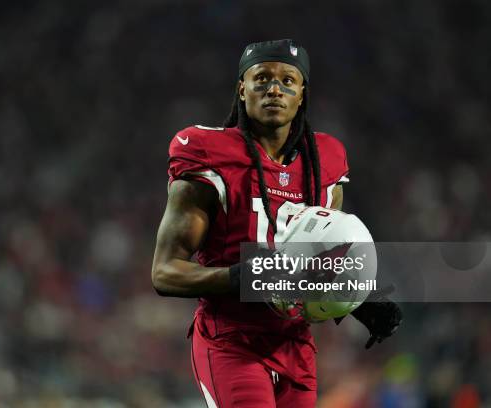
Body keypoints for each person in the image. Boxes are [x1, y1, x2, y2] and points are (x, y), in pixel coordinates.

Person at [152, 39, 401, 408]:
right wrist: (241, 276)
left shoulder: (326, 161)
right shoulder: (207, 152)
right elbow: (165, 272)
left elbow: (317, 260)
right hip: (231, 340)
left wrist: (355, 300)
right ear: (242, 88)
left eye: (288, 80)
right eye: (262, 78)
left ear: (302, 94)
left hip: (294, 344)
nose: (274, 88)